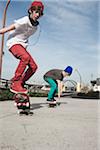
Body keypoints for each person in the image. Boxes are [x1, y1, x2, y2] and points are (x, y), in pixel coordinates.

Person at [0, 1, 44, 93]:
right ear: (30, 11)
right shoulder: (24, 20)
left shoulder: (35, 27)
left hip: (22, 47)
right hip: (13, 43)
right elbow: (9, 28)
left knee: (34, 67)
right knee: (25, 57)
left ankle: (20, 82)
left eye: (39, 13)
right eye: (35, 12)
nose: (37, 15)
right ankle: (16, 82)